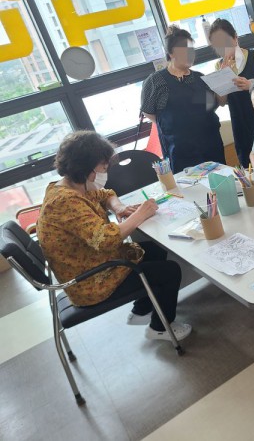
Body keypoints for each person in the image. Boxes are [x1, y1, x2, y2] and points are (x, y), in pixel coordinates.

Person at [36, 131, 192, 341]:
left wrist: (119, 208)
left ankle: (142, 310)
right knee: (170, 271)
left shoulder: (67, 187)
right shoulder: (65, 202)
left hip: (94, 264)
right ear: (87, 169)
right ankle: (160, 328)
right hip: (90, 281)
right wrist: (140, 214)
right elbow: (106, 240)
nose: (105, 172)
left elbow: (106, 194)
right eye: (103, 167)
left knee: (154, 249)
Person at [141, 25, 225, 173]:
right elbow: (148, 112)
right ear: (171, 53)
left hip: (210, 146)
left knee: (219, 181)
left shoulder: (200, 77)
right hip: (179, 151)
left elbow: (214, 105)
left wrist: (223, 78)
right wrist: (170, 124)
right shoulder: (155, 81)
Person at [209, 18, 254, 167]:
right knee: (248, 166)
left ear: (235, 37)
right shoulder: (219, 66)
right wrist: (223, 76)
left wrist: (251, 84)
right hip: (239, 124)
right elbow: (221, 102)